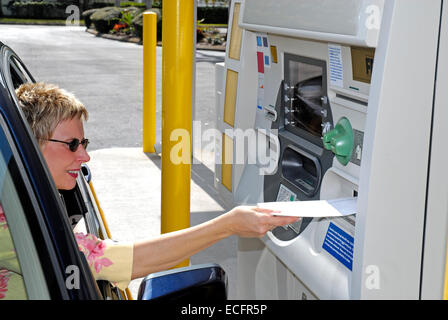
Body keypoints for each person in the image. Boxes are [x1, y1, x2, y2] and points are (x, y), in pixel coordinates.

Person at [15, 82, 299, 292]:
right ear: (29, 144)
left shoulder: (20, 193)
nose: (85, 156)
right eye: (72, 145)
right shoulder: (18, 223)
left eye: (84, 143)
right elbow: (127, 259)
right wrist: (230, 224)